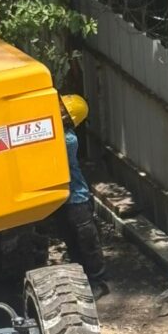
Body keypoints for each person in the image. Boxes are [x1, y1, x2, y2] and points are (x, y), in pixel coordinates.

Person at [56, 94, 108, 299]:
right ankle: (82, 281)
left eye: (62, 108)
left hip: (77, 199)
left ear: (68, 117)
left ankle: (98, 281)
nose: (58, 108)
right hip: (64, 198)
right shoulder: (60, 133)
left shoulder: (68, 139)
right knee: (71, 241)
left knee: (87, 242)